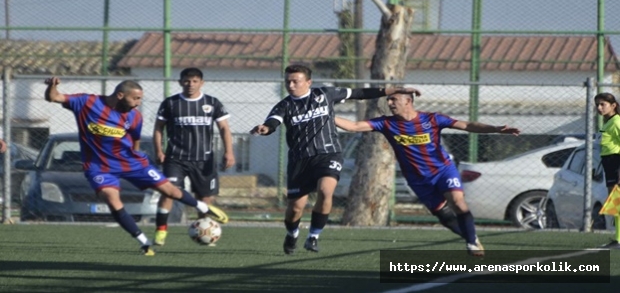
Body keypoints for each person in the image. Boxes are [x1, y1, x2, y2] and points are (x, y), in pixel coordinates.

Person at [44, 77, 225, 255]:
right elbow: (54, 97)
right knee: (112, 200)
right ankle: (143, 242)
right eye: (135, 99)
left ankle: (202, 207)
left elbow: (135, 140)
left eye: (140, 99)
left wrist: (136, 161)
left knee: (170, 190)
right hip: (99, 166)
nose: (138, 103)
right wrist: (52, 86)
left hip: (131, 162)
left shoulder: (134, 116)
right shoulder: (87, 102)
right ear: (121, 95)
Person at [250, 64, 420, 254]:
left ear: (308, 82)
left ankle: (313, 236)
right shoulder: (285, 105)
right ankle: (292, 234)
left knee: (325, 191)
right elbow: (273, 122)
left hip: (328, 153)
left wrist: (393, 89)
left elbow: (359, 92)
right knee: (296, 207)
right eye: (288, 81)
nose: (290, 85)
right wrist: (265, 129)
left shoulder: (325, 94)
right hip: (300, 160)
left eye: (295, 81)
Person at [334, 92, 520, 257]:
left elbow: (467, 125)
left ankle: (471, 242)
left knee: (457, 201)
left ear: (408, 101)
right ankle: (470, 235)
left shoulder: (432, 119)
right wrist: (327, 114)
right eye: (389, 99)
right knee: (442, 214)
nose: (390, 102)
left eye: (394, 99)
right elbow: (354, 126)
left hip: (443, 170)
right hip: (417, 178)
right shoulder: (386, 123)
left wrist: (495, 128)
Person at [152, 67, 235, 246]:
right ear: (181, 82)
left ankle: (205, 232)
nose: (191, 85)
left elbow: (224, 129)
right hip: (175, 158)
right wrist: (159, 150)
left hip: (204, 159)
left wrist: (229, 152)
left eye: (195, 81)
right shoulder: (171, 103)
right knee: (168, 193)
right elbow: (158, 128)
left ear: (201, 83)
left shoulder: (212, 103)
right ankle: (161, 231)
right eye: (187, 81)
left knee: (205, 199)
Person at [595, 92, 620, 249]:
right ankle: (618, 238)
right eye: (597, 105)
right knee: (615, 203)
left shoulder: (617, 122)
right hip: (610, 163)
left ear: (613, 105)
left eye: (602, 104)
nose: (599, 108)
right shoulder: (608, 122)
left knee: (618, 202)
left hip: (617, 163)